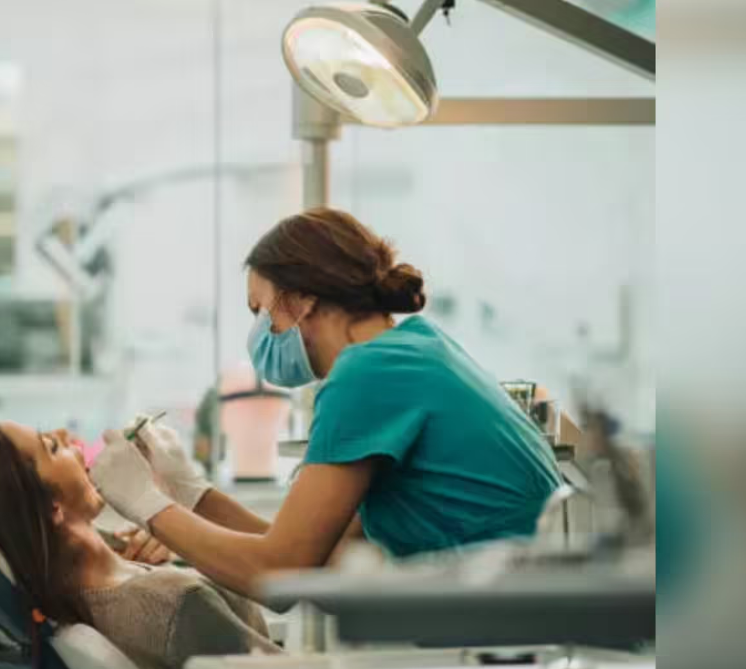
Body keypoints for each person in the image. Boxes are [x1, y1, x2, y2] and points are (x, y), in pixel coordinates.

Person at [89, 207, 564, 599]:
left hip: (514, 634)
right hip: (530, 619)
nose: (259, 334)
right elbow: (322, 557)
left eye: (260, 311)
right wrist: (192, 493)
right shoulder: (414, 348)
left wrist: (146, 503)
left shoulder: (368, 373)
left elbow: (279, 572)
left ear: (301, 300)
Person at [0, 419, 280, 669]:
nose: (68, 438)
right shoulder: (176, 603)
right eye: (51, 447)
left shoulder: (62, 599)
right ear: (52, 508)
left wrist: (178, 533)